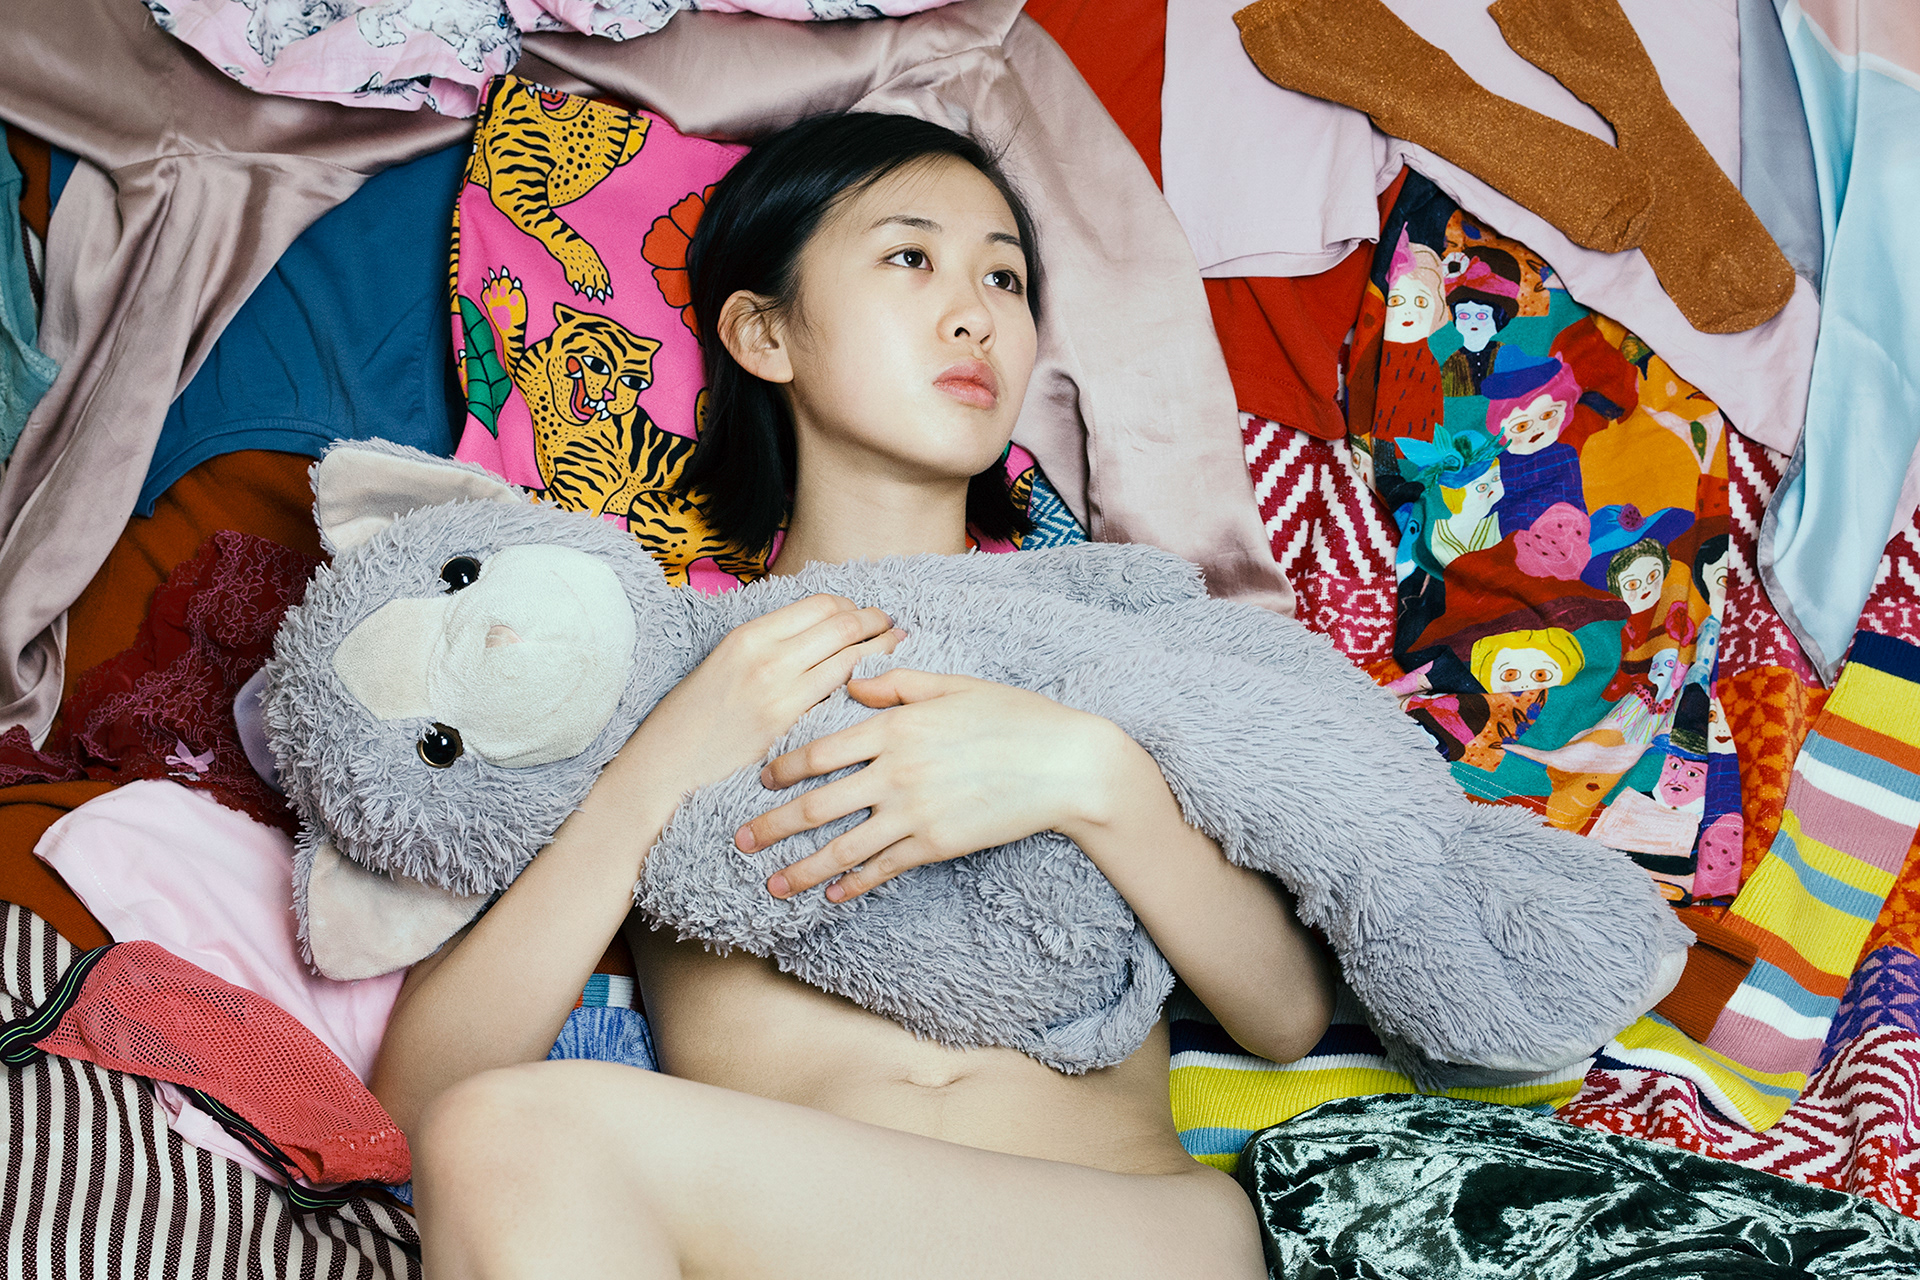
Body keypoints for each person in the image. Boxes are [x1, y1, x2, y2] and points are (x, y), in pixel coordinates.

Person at [379, 113, 1336, 1278]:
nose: (975, 314)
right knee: (500, 1134)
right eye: (910, 256)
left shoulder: (1113, 630)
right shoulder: (642, 661)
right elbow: (415, 1107)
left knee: (515, 1136)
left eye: (1005, 277)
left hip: (1125, 1232)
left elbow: (1285, 1014)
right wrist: (665, 762)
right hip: (785, 1240)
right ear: (764, 331)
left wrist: (1089, 775)